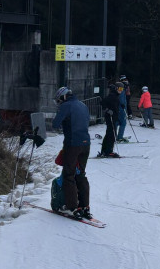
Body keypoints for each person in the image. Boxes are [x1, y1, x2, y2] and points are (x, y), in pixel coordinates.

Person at [51, 86, 93, 219]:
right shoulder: (82, 105)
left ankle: (72, 207)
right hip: (86, 144)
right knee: (81, 174)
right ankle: (85, 207)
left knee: (69, 175)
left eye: (59, 100)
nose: (59, 102)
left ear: (63, 97)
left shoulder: (66, 106)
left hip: (73, 144)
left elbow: (55, 124)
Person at [98, 82, 121, 157]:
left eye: (122, 89)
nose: (121, 90)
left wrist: (121, 105)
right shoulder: (112, 96)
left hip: (113, 117)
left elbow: (113, 104)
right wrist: (107, 110)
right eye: (120, 88)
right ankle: (108, 151)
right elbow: (103, 102)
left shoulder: (115, 96)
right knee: (112, 134)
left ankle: (104, 150)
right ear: (116, 88)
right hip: (110, 117)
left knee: (109, 133)